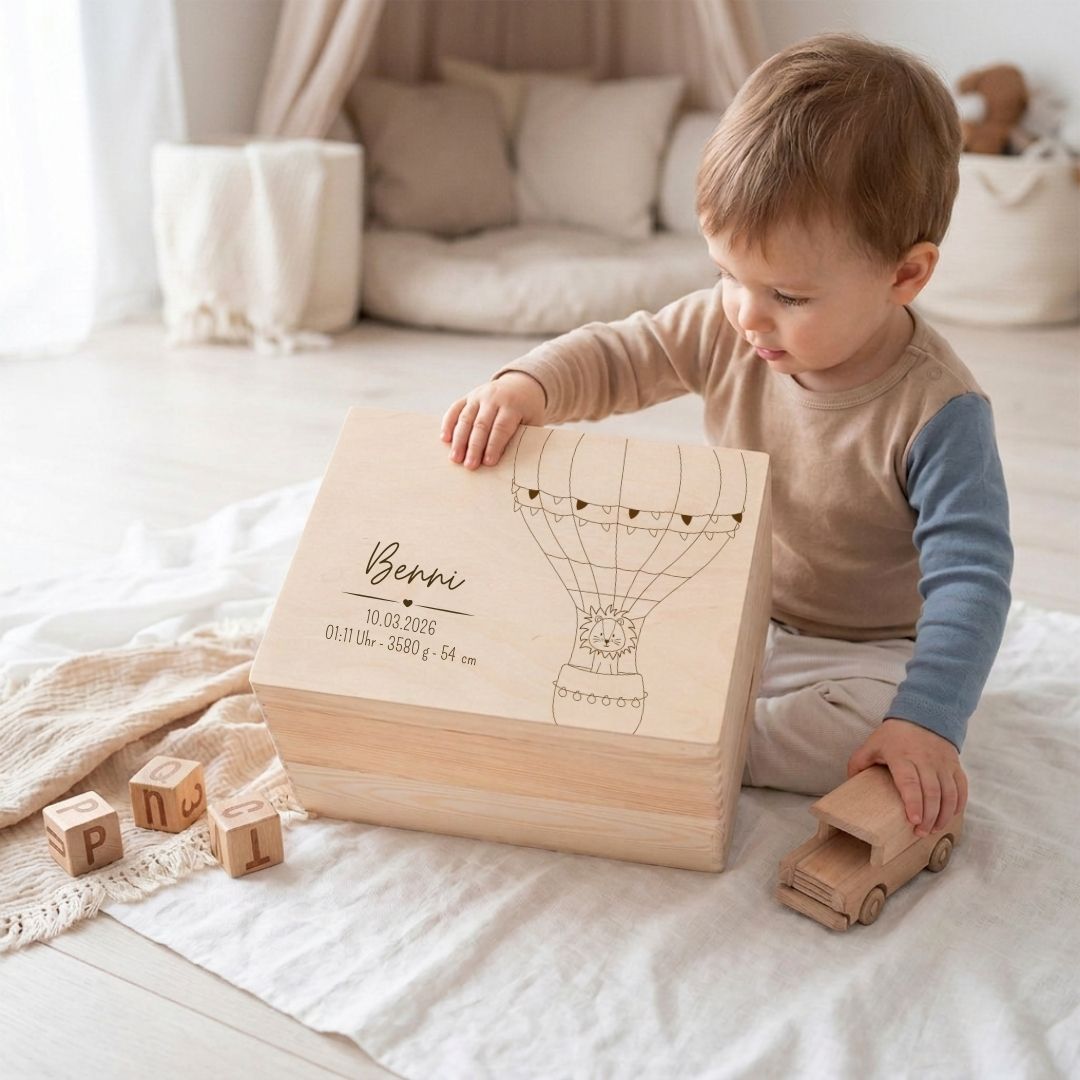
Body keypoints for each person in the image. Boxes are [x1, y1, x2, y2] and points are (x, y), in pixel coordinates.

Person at [439, 33, 1012, 839]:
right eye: (725, 274)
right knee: (594, 634)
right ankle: (686, 715)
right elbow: (622, 352)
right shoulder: (733, 324)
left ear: (904, 275)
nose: (746, 313)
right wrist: (526, 385)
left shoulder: (939, 412)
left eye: (787, 294)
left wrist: (928, 719)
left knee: (864, 732)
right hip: (730, 600)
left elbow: (973, 582)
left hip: (866, 645)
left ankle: (707, 743)